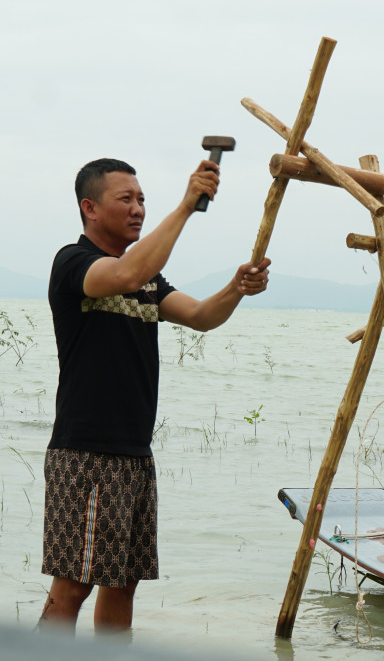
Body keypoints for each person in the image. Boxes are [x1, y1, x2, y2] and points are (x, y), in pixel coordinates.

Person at [37, 157, 270, 635]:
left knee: (122, 584)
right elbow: (121, 276)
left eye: (142, 199)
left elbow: (203, 316)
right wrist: (187, 206)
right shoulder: (73, 263)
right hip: (85, 453)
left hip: (134, 455)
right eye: (126, 199)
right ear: (90, 208)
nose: (138, 208)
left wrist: (238, 287)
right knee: (72, 588)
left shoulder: (149, 280)